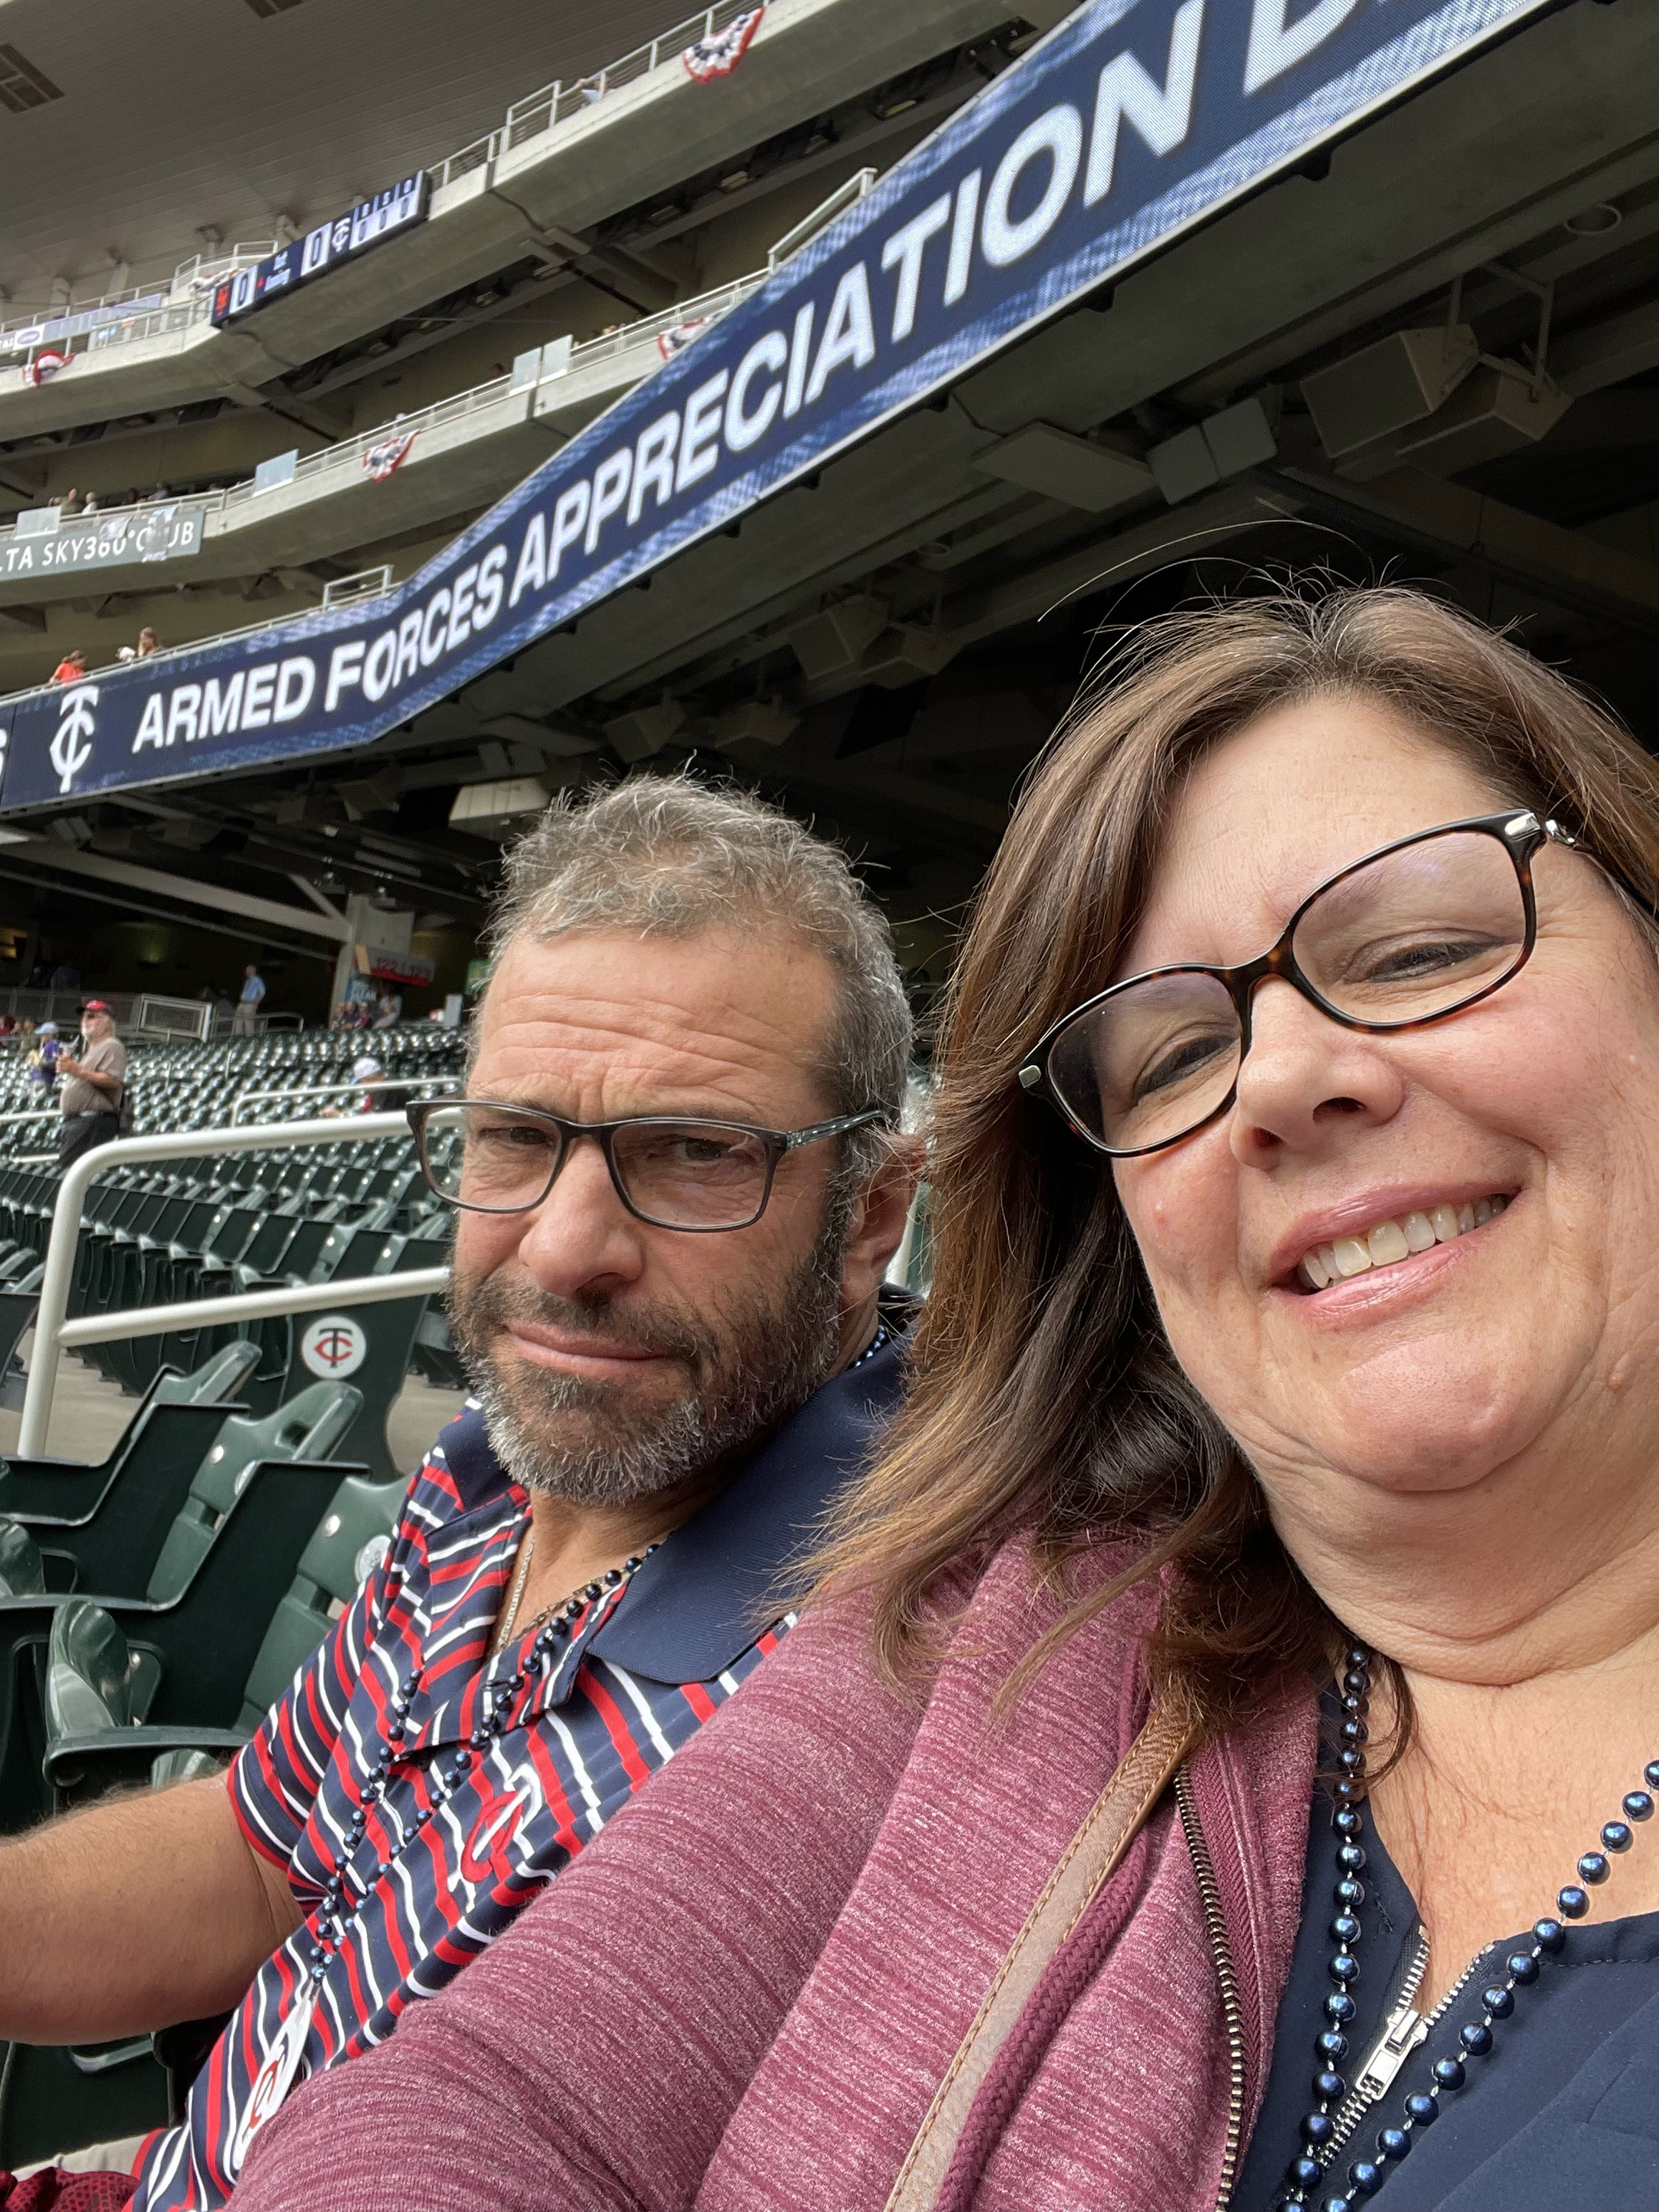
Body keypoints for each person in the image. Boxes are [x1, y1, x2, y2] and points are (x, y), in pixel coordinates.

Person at [230, 586, 1659, 2212]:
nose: (1274, 1077)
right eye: (1167, 1058)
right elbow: (495, 2096)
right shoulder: (998, 1620)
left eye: (1416, 949)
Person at [0, 776, 918, 2211]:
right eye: (515, 1135)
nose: (563, 1247)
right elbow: (264, 1855)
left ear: (872, 1213)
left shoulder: (891, 1654)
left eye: (695, 1152)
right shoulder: (488, 1473)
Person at [53, 1001, 126, 1171]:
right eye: (84, 1017)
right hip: (82, 1122)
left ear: (107, 1022)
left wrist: (77, 1070)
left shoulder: (112, 1046)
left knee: (70, 1173)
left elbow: (113, 1080)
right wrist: (72, 1070)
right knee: (69, 1172)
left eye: (92, 1016)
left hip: (92, 1121)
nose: (85, 1020)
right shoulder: (94, 1048)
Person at [231, 963, 264, 1035]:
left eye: (248, 970)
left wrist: (256, 1004)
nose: (246, 971)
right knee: (238, 1021)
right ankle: (237, 1037)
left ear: (253, 970)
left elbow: (262, 992)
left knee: (248, 1022)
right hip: (242, 1003)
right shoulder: (248, 981)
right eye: (247, 970)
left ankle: (249, 1038)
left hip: (250, 1004)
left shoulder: (257, 980)